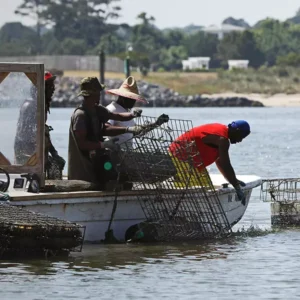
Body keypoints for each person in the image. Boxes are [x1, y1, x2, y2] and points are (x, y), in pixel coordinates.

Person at [68, 77, 145, 189]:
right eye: (98, 93)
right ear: (91, 94)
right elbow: (82, 144)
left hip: (96, 160)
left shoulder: (98, 109)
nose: (100, 95)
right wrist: (103, 145)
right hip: (83, 165)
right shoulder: (80, 115)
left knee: (111, 173)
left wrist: (132, 115)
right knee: (88, 182)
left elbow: (117, 116)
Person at [169, 120, 251, 205]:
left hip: (192, 164)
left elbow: (220, 162)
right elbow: (226, 165)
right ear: (236, 131)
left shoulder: (222, 132)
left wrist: (234, 180)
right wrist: (237, 187)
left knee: (207, 187)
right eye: (241, 136)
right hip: (180, 159)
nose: (240, 140)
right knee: (196, 189)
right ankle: (180, 206)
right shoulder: (222, 139)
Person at [14, 71, 65, 178]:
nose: (53, 89)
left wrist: (54, 153)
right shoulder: (31, 106)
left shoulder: (41, 105)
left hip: (36, 153)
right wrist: (38, 158)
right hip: (27, 155)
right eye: (50, 86)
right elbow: (25, 136)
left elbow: (43, 131)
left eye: (53, 86)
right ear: (41, 88)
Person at [105, 76, 148, 149]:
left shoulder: (127, 112)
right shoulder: (111, 109)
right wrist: (128, 129)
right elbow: (106, 129)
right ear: (122, 97)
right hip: (114, 152)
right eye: (131, 98)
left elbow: (136, 132)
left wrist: (156, 124)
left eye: (135, 99)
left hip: (127, 153)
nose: (133, 102)